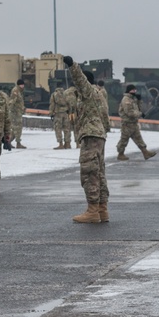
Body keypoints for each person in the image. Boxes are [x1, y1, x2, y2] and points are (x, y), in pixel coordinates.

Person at [63, 56, 111, 223]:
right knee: (99, 173)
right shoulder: (99, 95)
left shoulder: (88, 91)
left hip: (91, 135)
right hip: (99, 135)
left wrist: (72, 65)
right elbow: (105, 117)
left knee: (89, 172)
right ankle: (102, 209)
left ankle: (92, 211)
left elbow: (80, 79)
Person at [117, 84, 157, 160]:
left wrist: (139, 100)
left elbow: (138, 109)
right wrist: (140, 114)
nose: (134, 91)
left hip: (133, 123)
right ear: (129, 90)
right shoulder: (126, 100)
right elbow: (130, 112)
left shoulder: (132, 99)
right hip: (127, 123)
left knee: (138, 138)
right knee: (124, 139)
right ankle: (120, 154)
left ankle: (145, 152)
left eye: (135, 90)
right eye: (133, 90)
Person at [8, 79, 26, 148]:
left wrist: (23, 108)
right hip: (15, 112)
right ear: (19, 85)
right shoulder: (15, 91)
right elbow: (12, 101)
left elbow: (19, 102)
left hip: (18, 112)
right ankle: (17, 143)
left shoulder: (19, 91)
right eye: (22, 84)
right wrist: (11, 110)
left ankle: (10, 141)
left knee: (16, 128)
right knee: (17, 127)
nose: (23, 86)